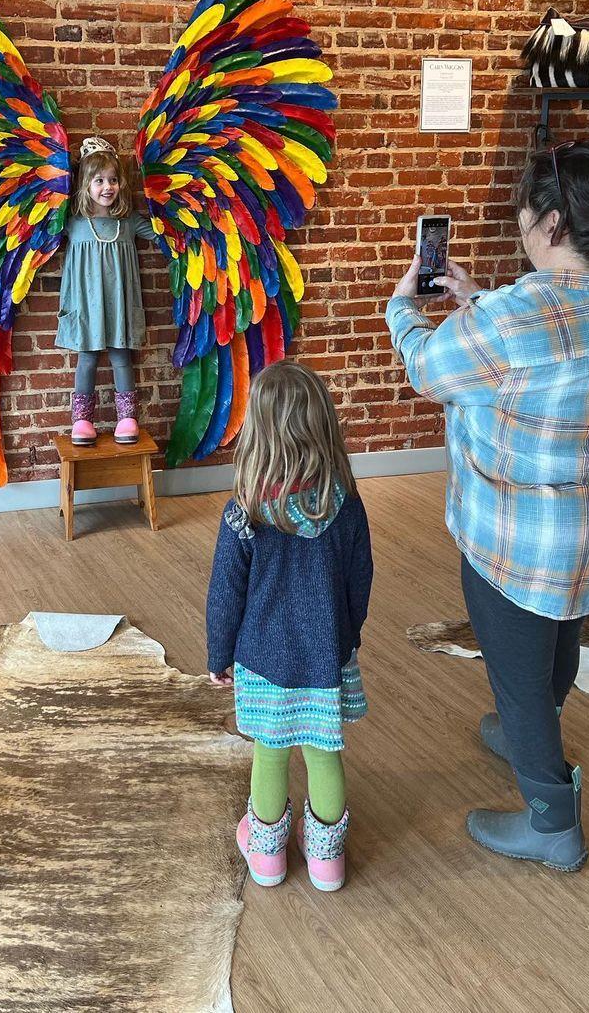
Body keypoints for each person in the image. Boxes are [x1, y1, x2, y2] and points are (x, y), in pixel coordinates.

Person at [387, 141, 589, 873]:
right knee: (560, 625)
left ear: (552, 223)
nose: (520, 224)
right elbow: (555, 337)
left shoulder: (521, 315)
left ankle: (553, 821)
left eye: (524, 214)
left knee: (515, 674)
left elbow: (431, 369)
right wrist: (476, 301)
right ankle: (535, 724)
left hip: (529, 542)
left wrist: (403, 307)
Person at [206, 361, 374, 893]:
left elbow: (224, 597)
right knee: (324, 751)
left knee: (270, 752)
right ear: (323, 426)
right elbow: (359, 582)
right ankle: (327, 864)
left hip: (263, 661)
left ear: (258, 433)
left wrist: (219, 655)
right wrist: (349, 637)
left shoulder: (244, 513)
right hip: (325, 657)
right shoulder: (346, 509)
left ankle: (267, 857)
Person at [56, 137, 157, 446]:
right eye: (99, 180)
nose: (107, 187)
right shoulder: (72, 223)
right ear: (85, 185)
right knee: (86, 360)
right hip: (85, 307)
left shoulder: (127, 222)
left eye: (113, 180)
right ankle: (82, 421)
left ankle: (127, 419)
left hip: (120, 306)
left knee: (121, 359)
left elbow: (162, 233)